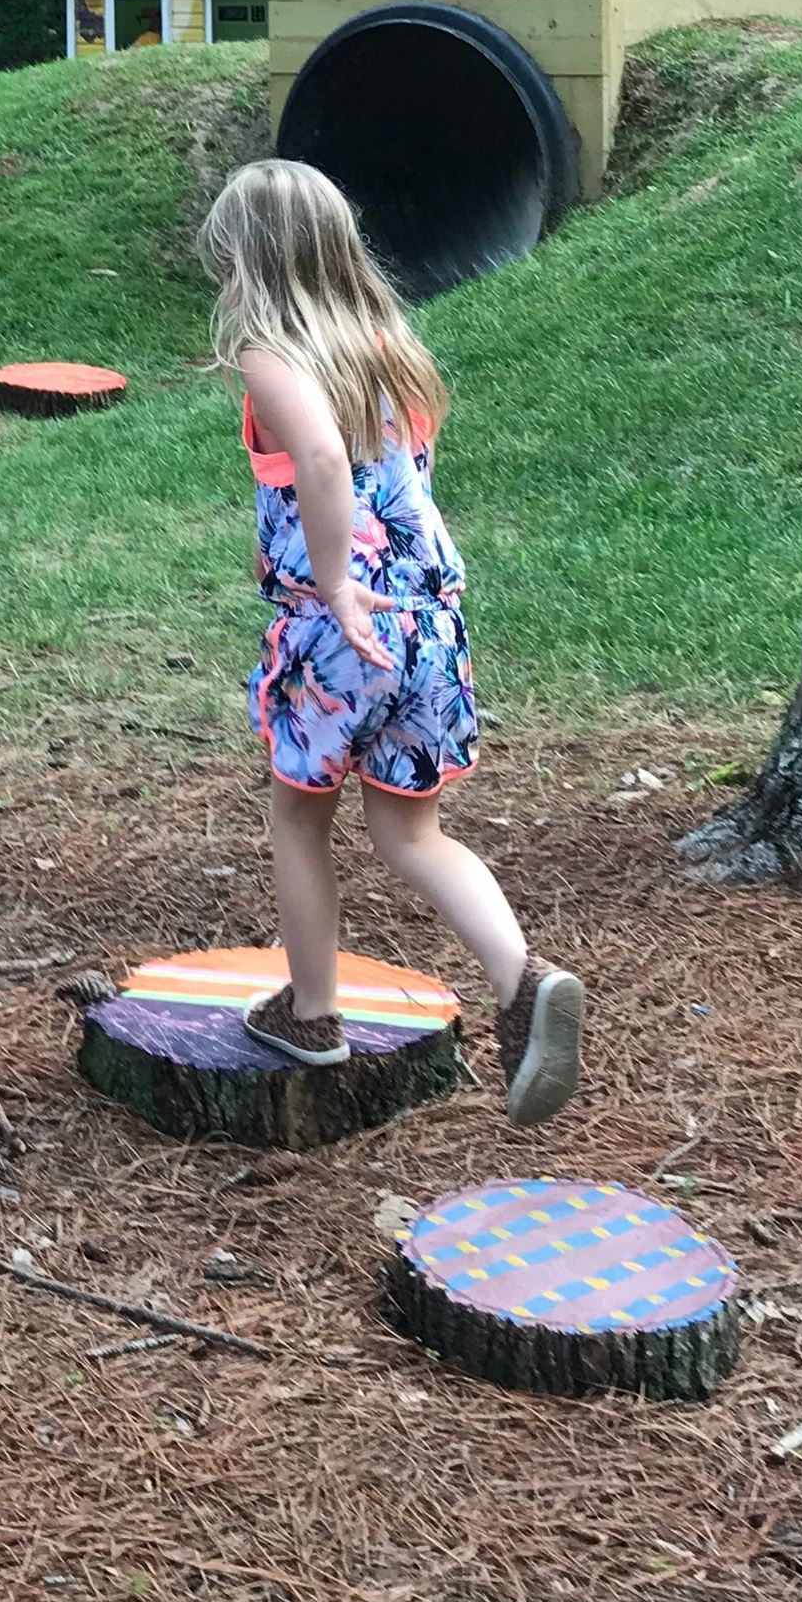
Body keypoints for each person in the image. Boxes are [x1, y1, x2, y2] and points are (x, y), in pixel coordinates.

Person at [196, 156, 583, 1125]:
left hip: (338, 631)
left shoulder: (265, 351)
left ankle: (312, 1010)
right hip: (427, 626)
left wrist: (329, 579)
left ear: (250, 262)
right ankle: (520, 979)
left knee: (297, 815)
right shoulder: (388, 341)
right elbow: (394, 472)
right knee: (411, 831)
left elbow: (322, 457)